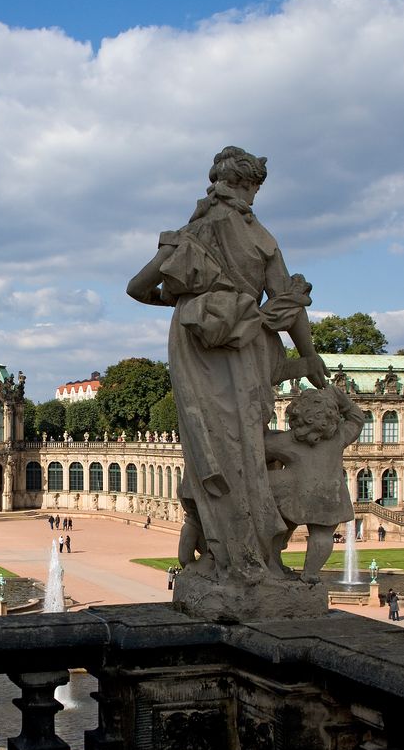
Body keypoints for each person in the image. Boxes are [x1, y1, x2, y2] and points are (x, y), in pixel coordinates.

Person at [127, 146, 329, 589]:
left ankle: (225, 560)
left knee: (210, 449)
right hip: (250, 342)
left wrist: (179, 302)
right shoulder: (263, 238)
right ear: (248, 183)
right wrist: (308, 354)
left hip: (195, 346)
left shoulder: (191, 232)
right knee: (246, 450)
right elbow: (288, 302)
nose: (255, 194)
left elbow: (136, 288)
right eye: (255, 186)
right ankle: (257, 557)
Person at [264, 387, 364, 583]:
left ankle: (273, 562)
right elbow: (357, 419)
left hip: (293, 494)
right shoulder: (338, 438)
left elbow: (259, 450)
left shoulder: (286, 441)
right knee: (323, 534)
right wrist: (344, 401)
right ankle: (310, 573)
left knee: (281, 526)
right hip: (330, 496)